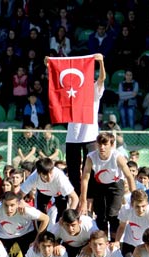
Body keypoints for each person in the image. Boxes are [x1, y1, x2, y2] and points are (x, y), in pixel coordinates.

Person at [53, 53, 105, 195]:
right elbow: (56, 81)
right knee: (73, 171)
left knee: (91, 169)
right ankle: (75, 198)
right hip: (72, 137)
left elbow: (101, 79)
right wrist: (49, 64)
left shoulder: (94, 90)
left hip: (90, 136)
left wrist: (100, 63)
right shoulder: (71, 91)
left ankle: (90, 199)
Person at [78, 132, 135, 237]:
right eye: (100, 144)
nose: (102, 147)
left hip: (116, 185)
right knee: (101, 216)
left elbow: (129, 176)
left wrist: (134, 196)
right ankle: (102, 241)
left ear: (112, 145)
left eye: (105, 144)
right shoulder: (91, 157)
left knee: (113, 215)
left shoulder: (118, 157)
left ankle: (115, 243)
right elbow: (85, 179)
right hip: (99, 185)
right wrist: (83, 199)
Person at [0, 191, 49, 257]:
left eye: (12, 205)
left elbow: (46, 219)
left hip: (26, 233)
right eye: (6, 205)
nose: (9, 209)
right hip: (4, 236)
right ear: (1, 203)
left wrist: (37, 240)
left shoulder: (25, 210)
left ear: (18, 203)